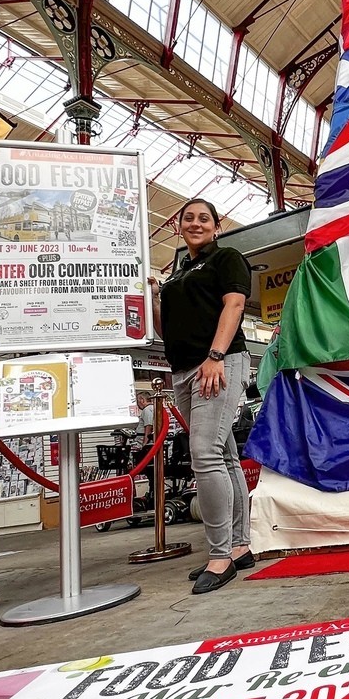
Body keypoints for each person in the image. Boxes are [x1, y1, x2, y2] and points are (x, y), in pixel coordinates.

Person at [149, 198, 255, 593]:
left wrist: (216, 356)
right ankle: (240, 546)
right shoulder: (177, 275)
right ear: (179, 227)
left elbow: (235, 303)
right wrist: (156, 297)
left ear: (216, 225)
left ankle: (219, 554)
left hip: (218, 364)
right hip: (182, 371)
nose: (196, 223)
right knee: (224, 455)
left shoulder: (225, 258)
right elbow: (166, 331)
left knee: (205, 453)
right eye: (188, 218)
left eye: (203, 218)